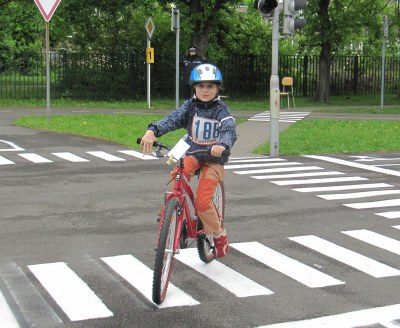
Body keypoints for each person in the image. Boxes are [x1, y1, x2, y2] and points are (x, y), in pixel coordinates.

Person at [140, 63, 237, 258]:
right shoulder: (190, 106)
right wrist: (152, 131)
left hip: (214, 158)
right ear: (194, 88)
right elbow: (172, 119)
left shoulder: (221, 110)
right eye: (201, 86)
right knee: (178, 174)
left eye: (210, 86)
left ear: (218, 88)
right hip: (193, 152)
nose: (205, 90)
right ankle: (172, 209)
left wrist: (223, 145)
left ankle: (218, 233)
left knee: (202, 202)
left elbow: (229, 130)